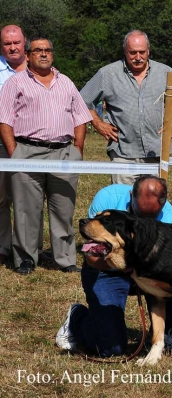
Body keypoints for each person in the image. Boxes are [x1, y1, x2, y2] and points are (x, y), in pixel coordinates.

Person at [55, 176, 172, 357]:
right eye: (140, 214)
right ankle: (78, 318)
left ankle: (170, 329)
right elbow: (91, 258)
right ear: (131, 195)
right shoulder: (108, 199)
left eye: (152, 218)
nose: (144, 223)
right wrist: (120, 264)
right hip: (108, 269)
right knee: (111, 348)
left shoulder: (170, 218)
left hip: (149, 271)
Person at [0, 36, 91, 275]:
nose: (43, 54)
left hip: (63, 152)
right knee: (26, 210)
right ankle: (26, 259)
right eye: (38, 50)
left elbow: (80, 116)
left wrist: (77, 149)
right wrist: (15, 152)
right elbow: (5, 121)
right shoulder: (15, 83)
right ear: (28, 55)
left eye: (47, 50)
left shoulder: (66, 82)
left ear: (53, 54)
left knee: (63, 208)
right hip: (26, 151)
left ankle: (65, 258)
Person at [79, 30, 172, 185]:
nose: (138, 57)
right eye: (133, 53)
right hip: (123, 153)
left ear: (148, 51)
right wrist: (98, 123)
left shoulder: (165, 72)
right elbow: (81, 100)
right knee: (123, 203)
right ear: (125, 51)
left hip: (156, 152)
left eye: (142, 52)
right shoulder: (108, 73)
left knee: (152, 203)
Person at [0, 24, 28, 267]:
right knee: (0, 199)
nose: (12, 47)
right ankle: (2, 246)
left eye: (16, 42)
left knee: (30, 199)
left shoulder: (39, 68)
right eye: (7, 44)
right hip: (1, 142)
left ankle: (31, 248)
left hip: (33, 143)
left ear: (24, 42)